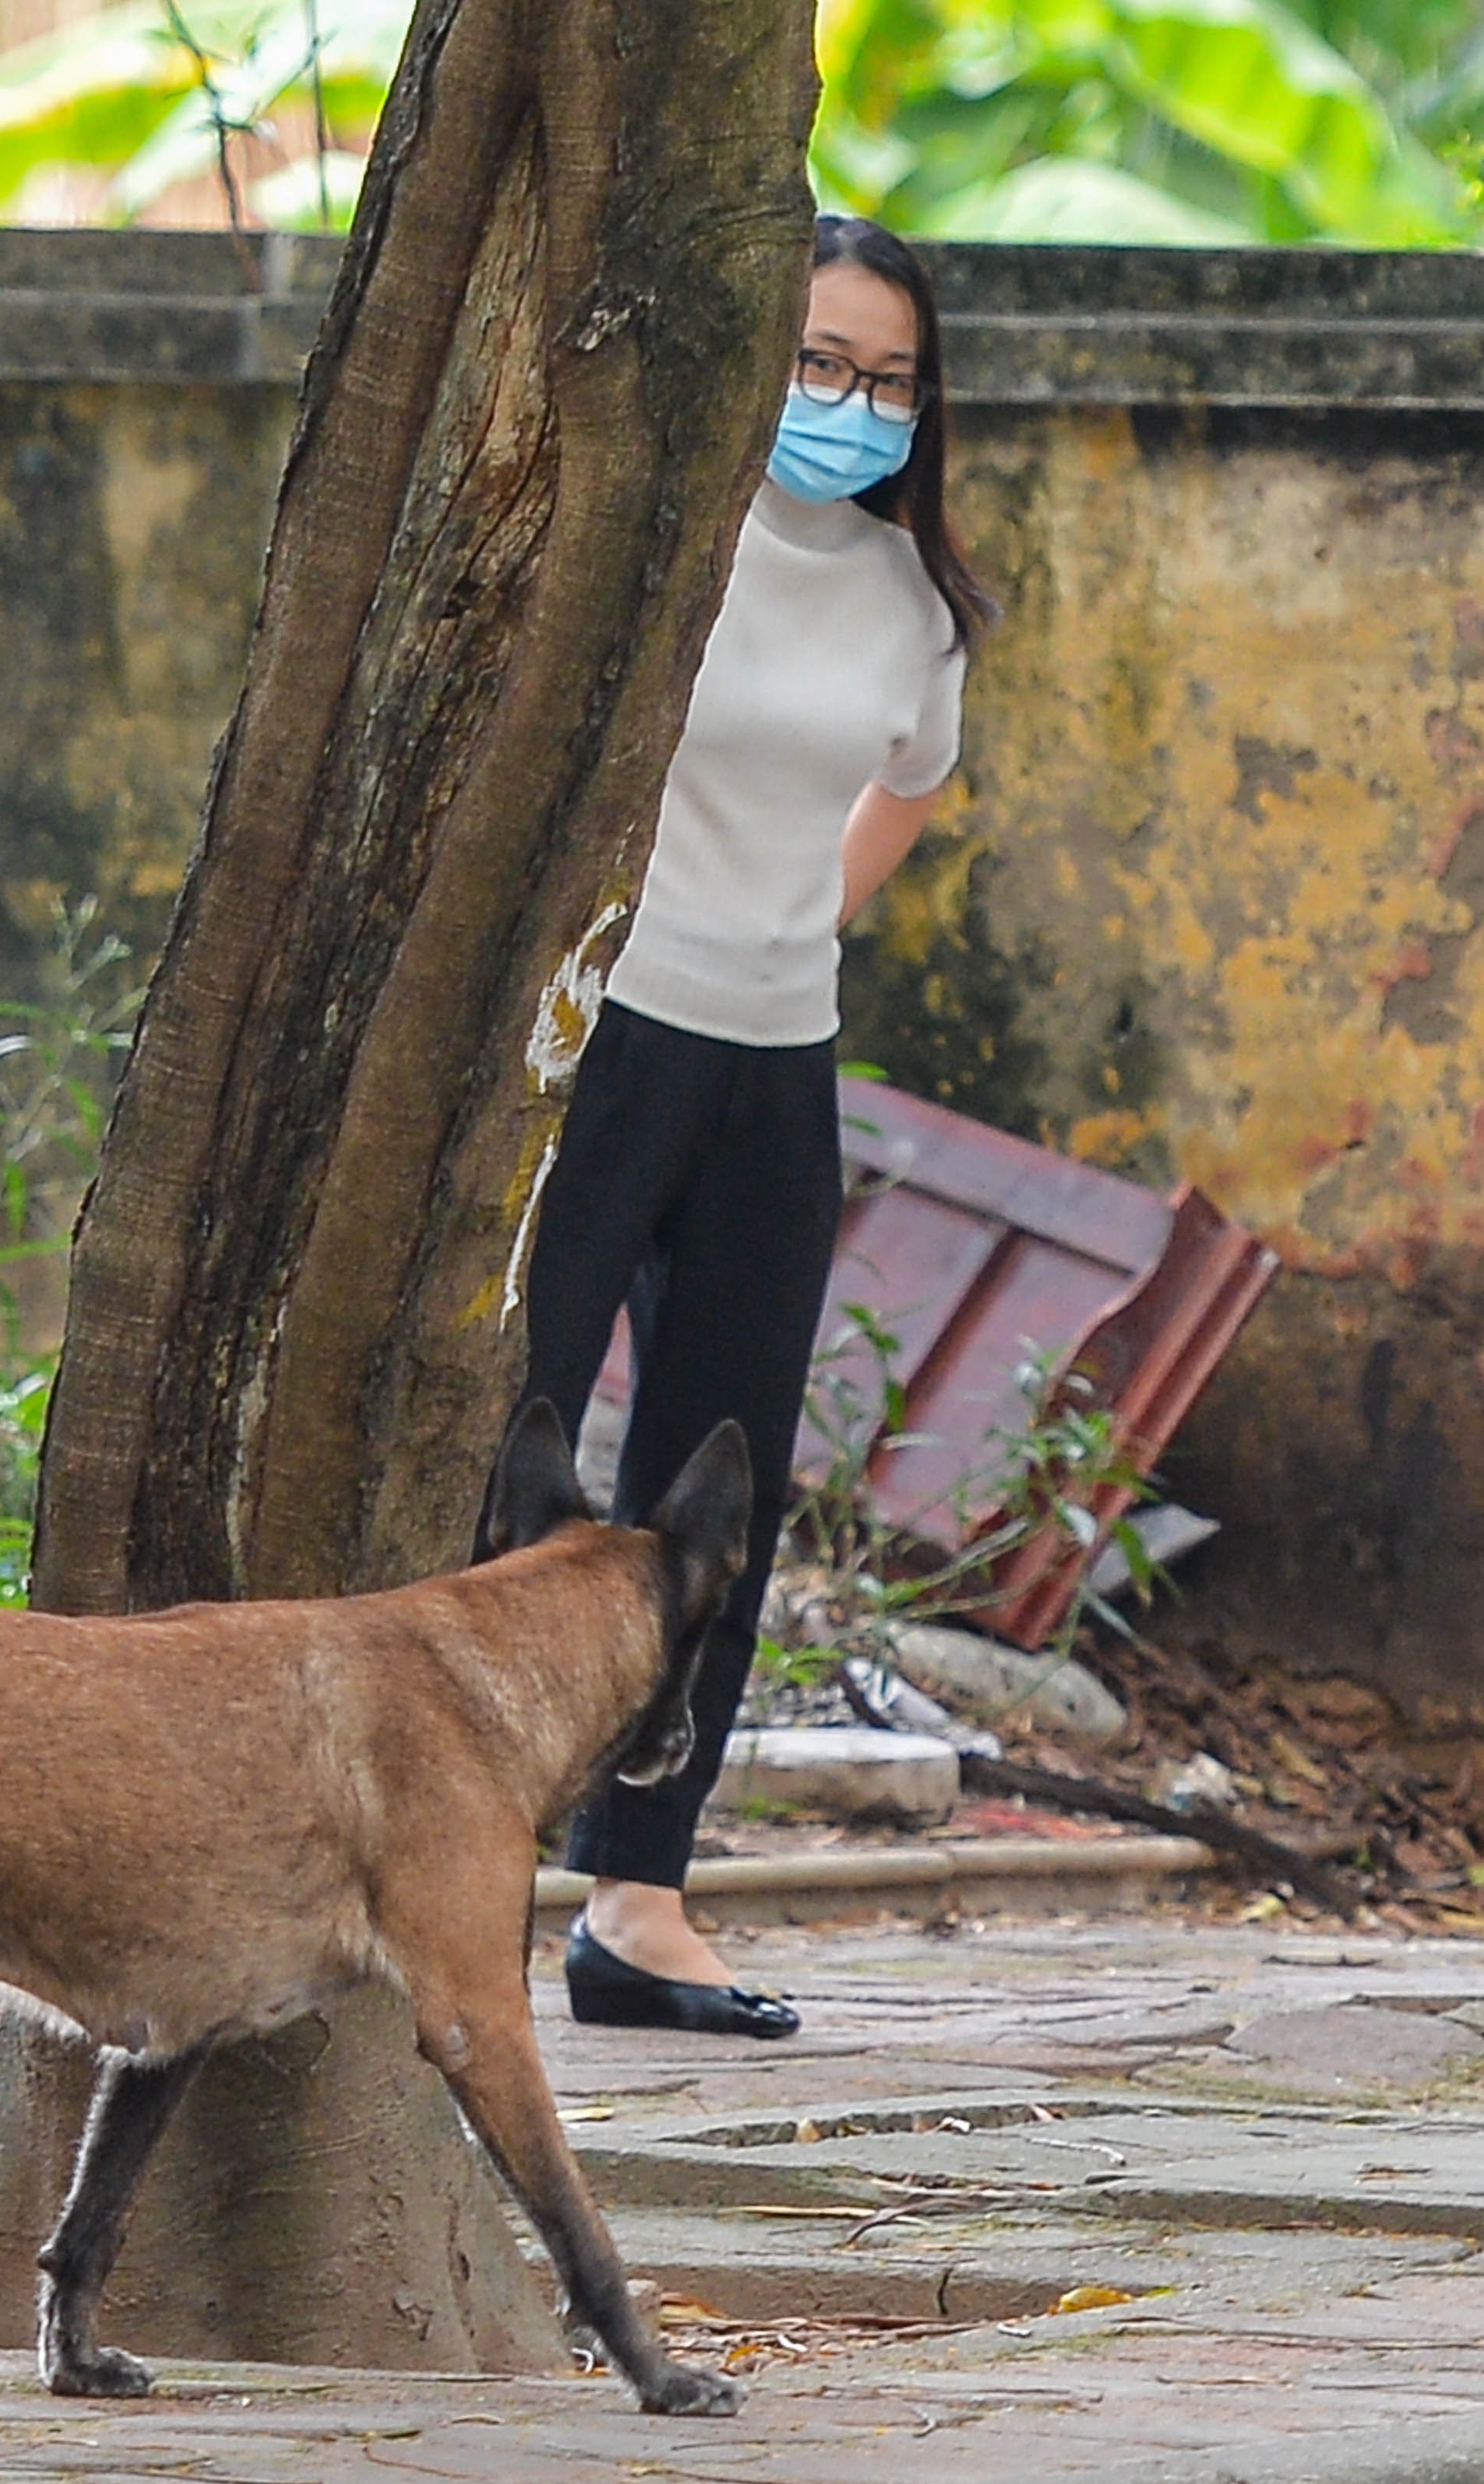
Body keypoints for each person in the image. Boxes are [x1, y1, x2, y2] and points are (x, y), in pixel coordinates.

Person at [522, 211, 995, 2040]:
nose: (851, 402)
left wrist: (799, 914)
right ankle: (456, 1867)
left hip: (773, 1075)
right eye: (819, 362)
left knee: (716, 1487)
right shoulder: (667, 550)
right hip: (601, 1050)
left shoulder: (915, 606)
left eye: (886, 377)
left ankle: (642, 1896)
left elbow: (914, 787)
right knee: (521, 1454)